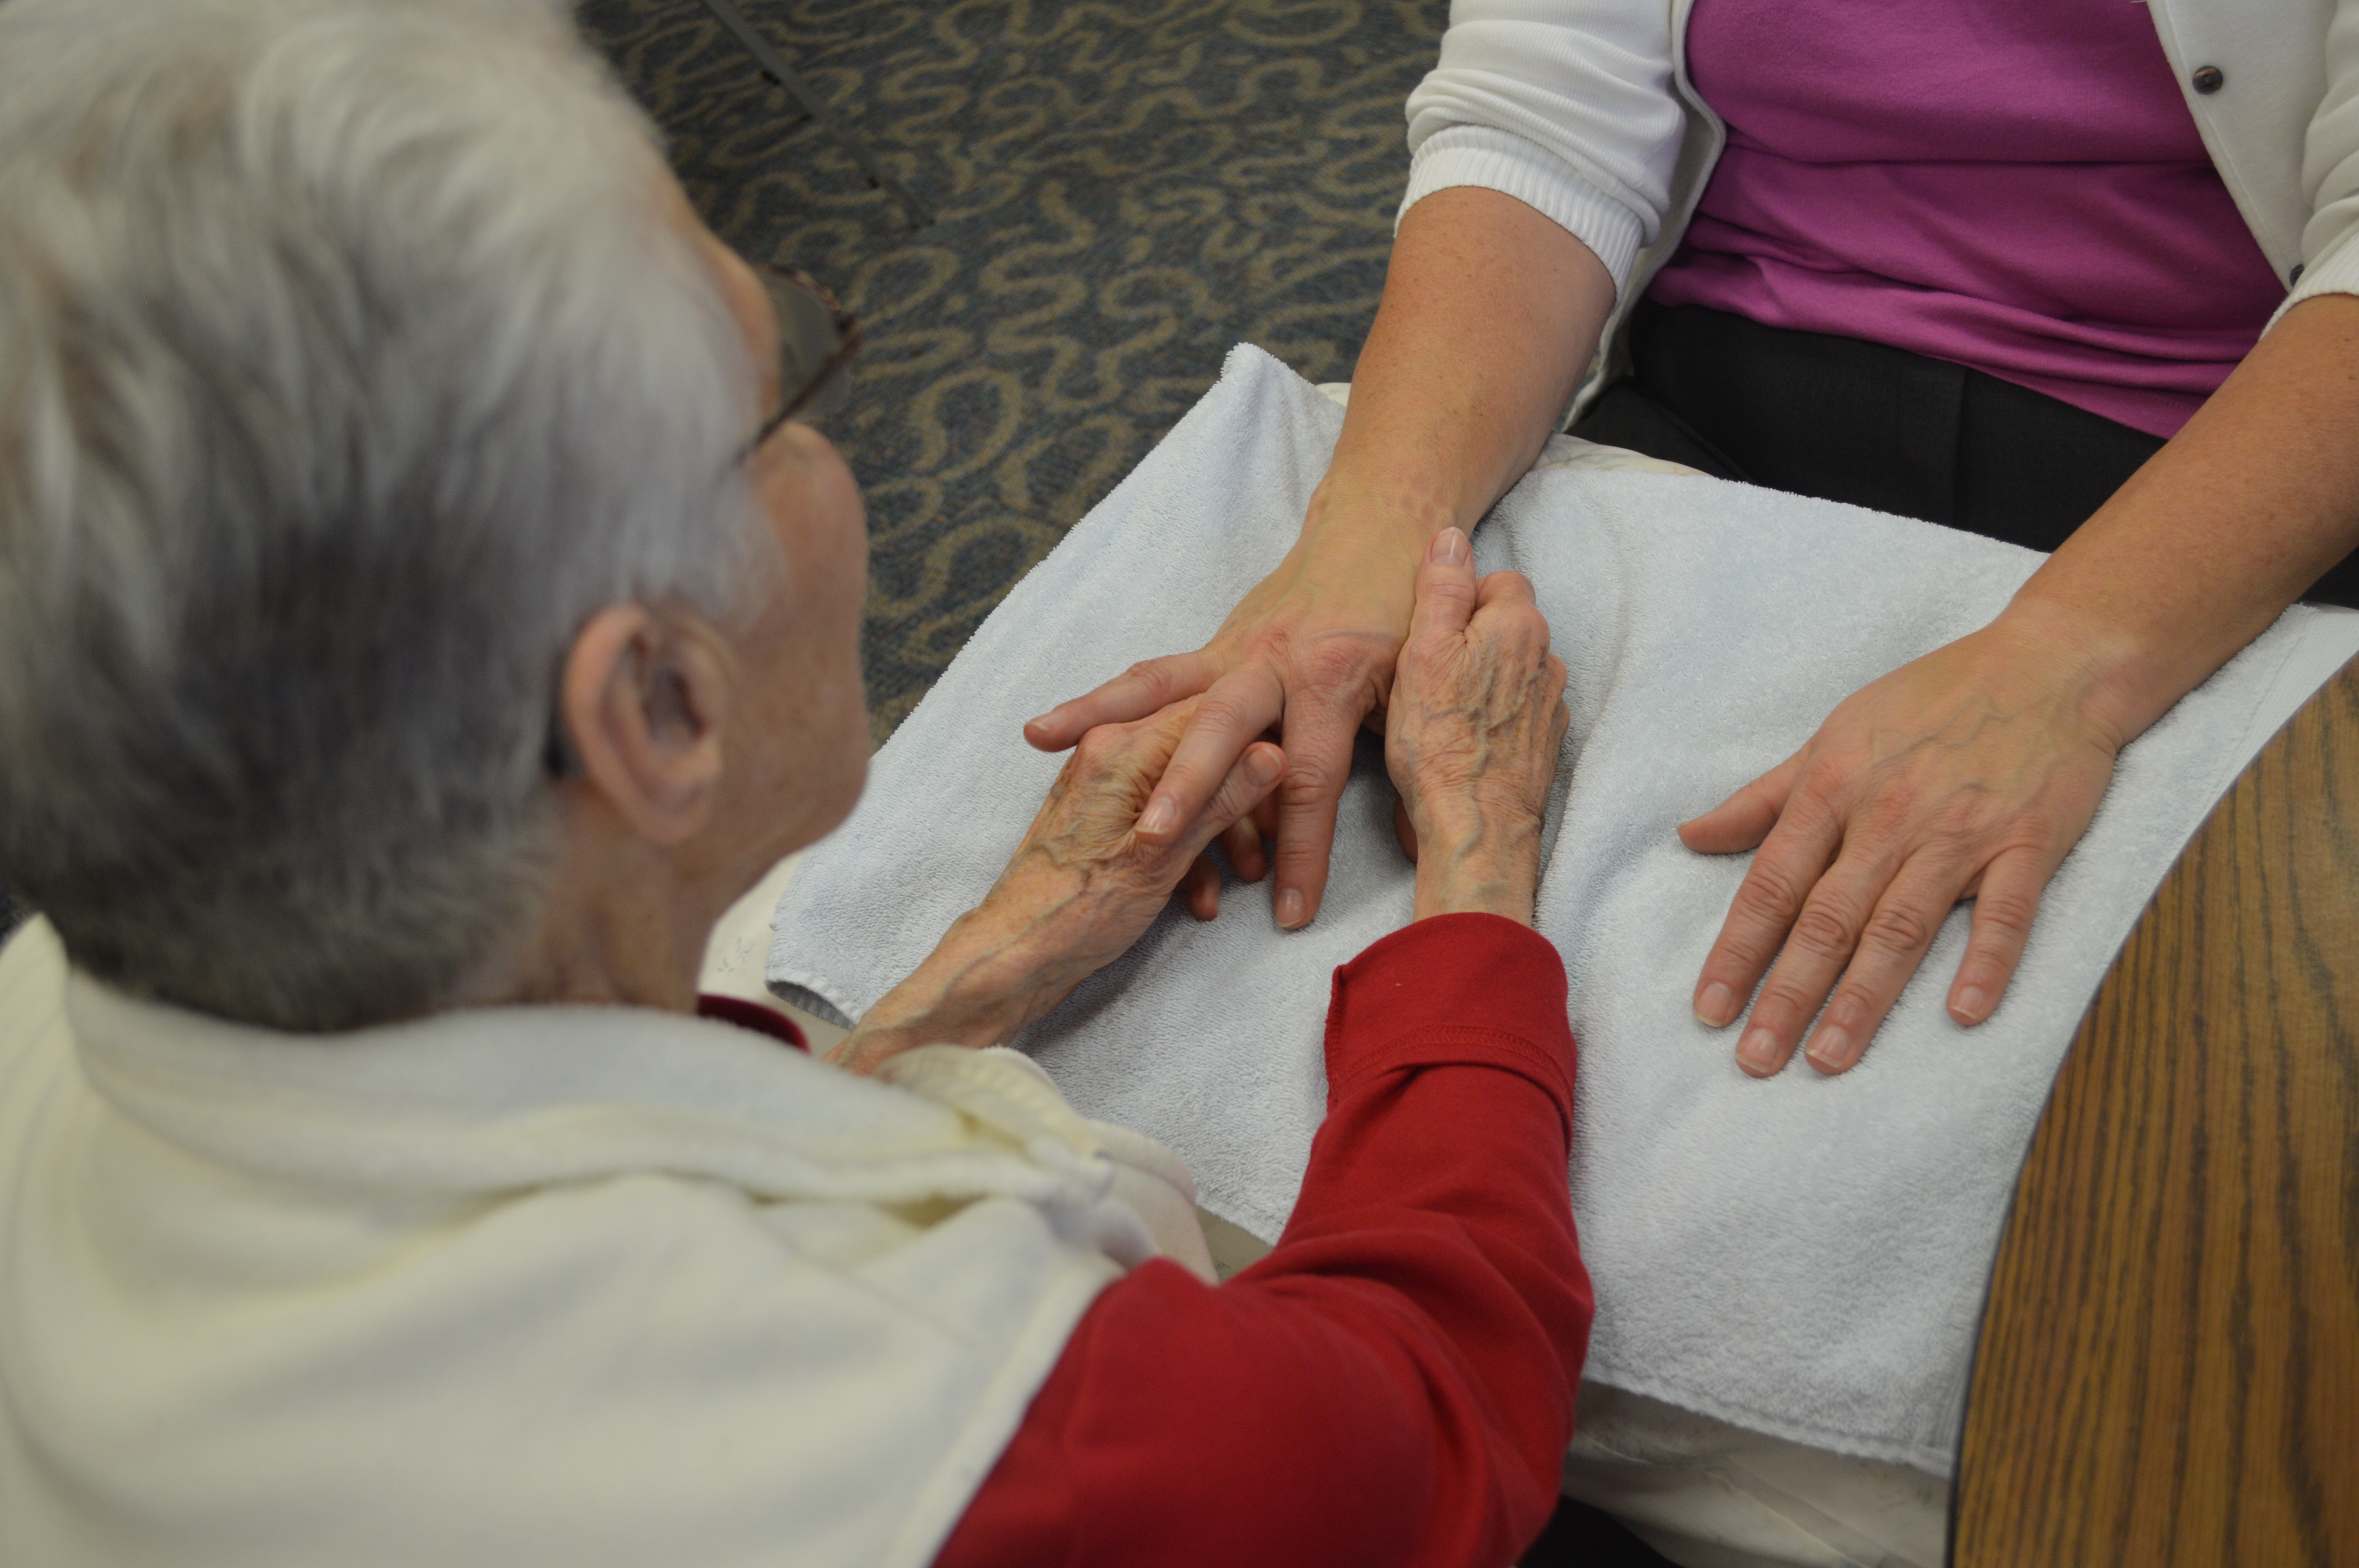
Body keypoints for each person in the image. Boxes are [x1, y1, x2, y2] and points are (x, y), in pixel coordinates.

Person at [0, 1, 1596, 1563]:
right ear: (657, 708)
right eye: (786, 386)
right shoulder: (953, 1418)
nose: (832, 456)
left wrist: (997, 954)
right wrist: (1473, 861)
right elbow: (1421, 1431)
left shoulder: (49, 1009)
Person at [1028, 0, 2359, 1080]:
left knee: (2121, 1064)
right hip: (1735, 393)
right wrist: (1375, 532)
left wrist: (2071, 666)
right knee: (1265, 918)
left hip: (2211, 451)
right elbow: (1545, 124)